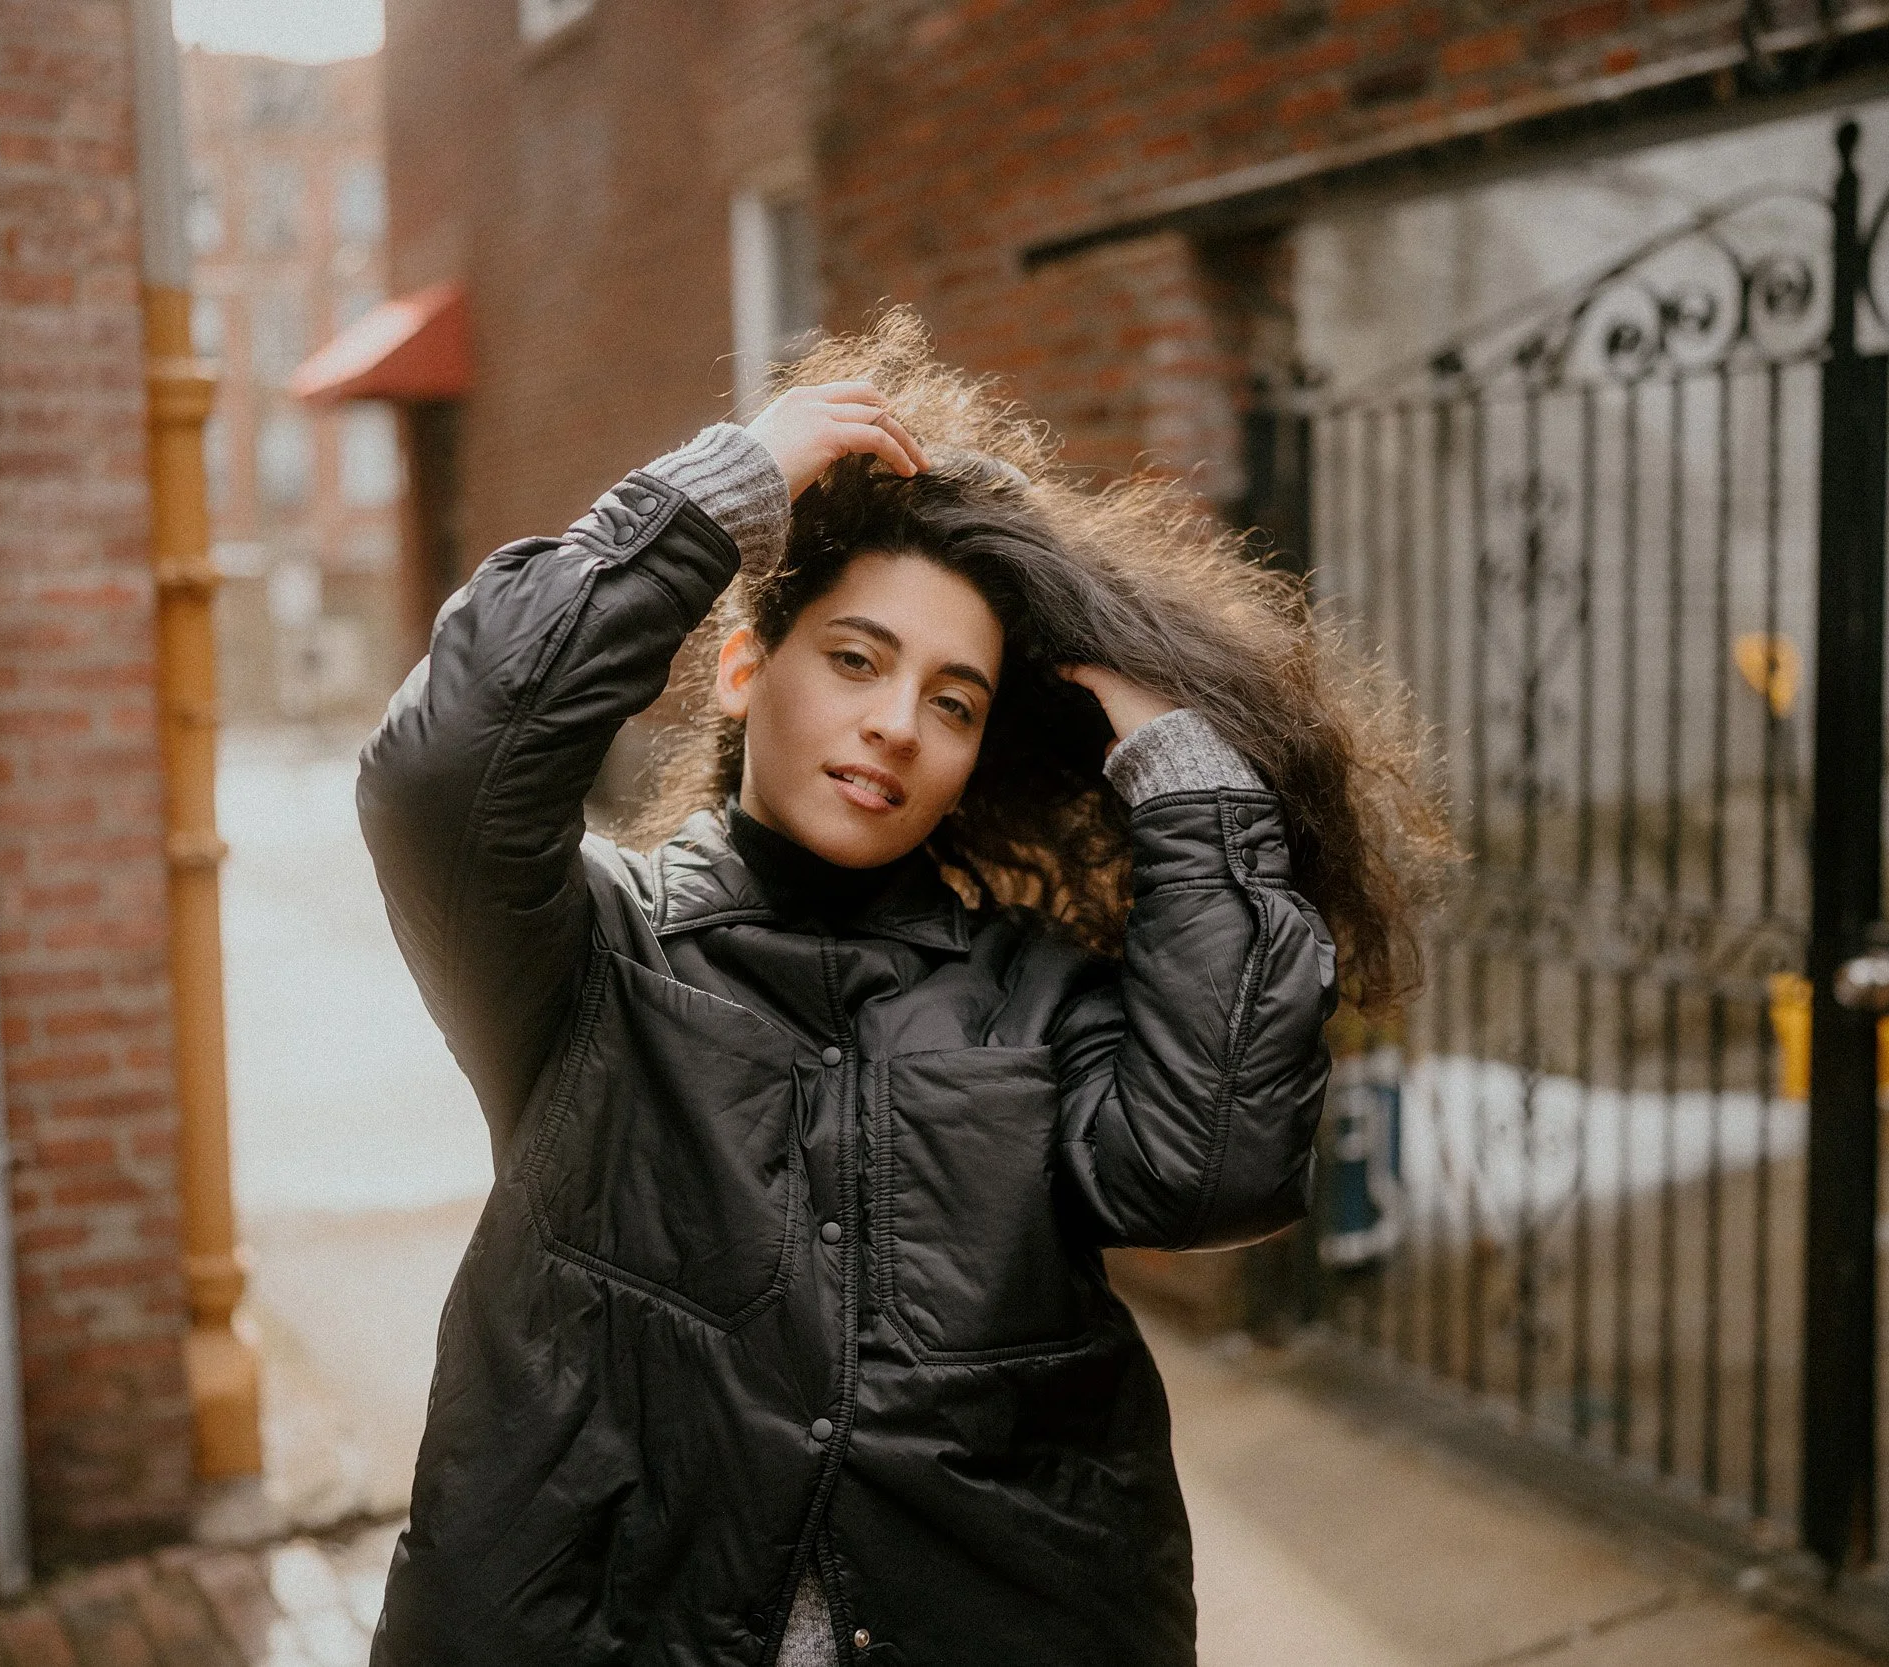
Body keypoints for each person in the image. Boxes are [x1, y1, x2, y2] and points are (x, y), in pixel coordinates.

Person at [357, 313, 1440, 1667]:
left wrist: (1180, 771)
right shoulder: (592, 963)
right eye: (857, 659)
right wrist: (717, 493)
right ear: (748, 670)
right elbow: (441, 773)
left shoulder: (1032, 1003)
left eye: (956, 700)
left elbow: (1214, 1169)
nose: (895, 723)